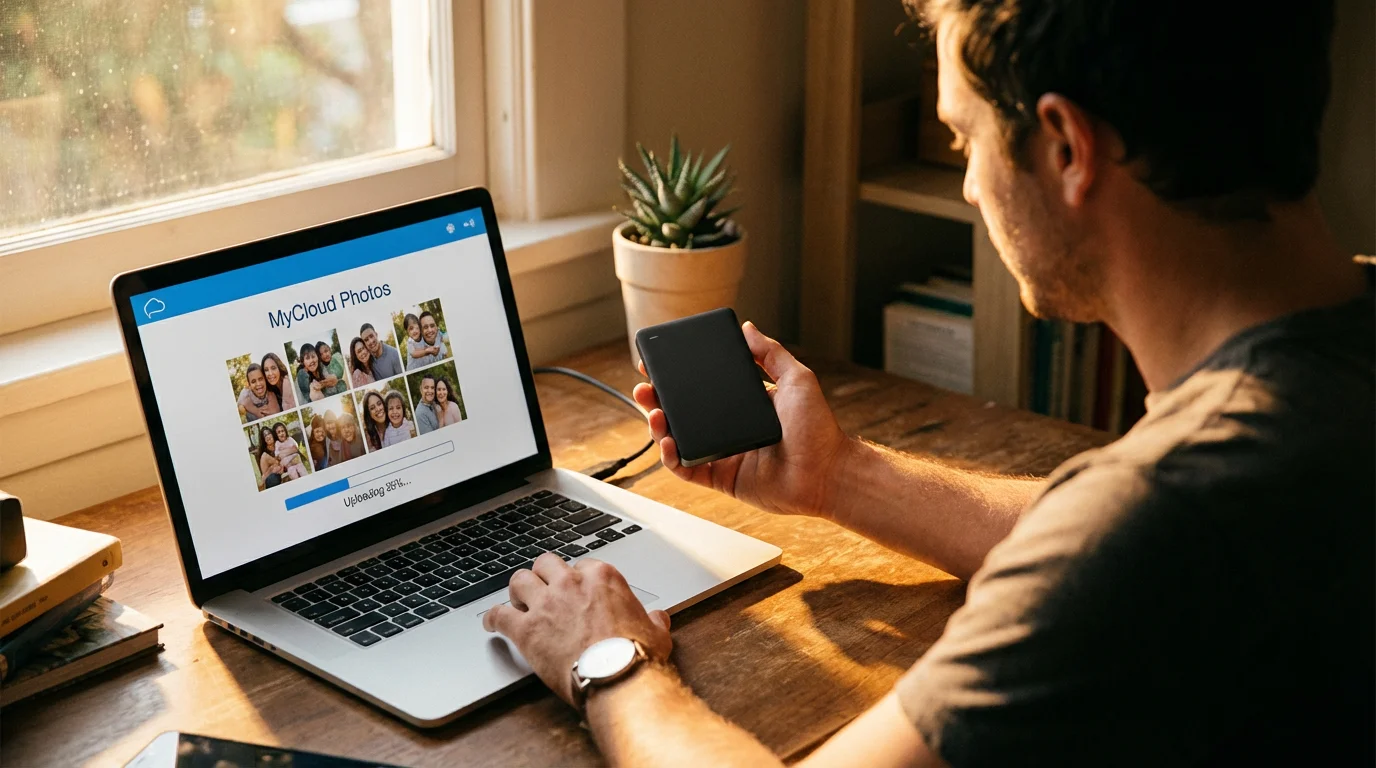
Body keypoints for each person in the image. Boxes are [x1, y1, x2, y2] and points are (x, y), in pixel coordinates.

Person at [479, 2, 1374, 766]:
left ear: (1066, 146)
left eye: (965, 139)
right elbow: (1114, 536)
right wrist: (840, 476)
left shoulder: (1169, 520)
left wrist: (608, 660)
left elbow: (1135, 540)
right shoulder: (1304, 402)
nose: (974, 187)